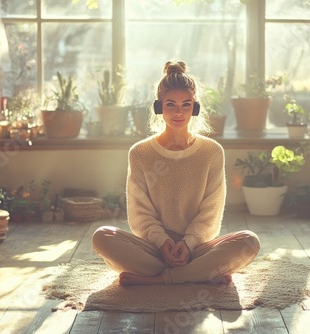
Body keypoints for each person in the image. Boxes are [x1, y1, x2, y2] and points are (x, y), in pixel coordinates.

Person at [91, 60, 260, 286]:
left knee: (249, 241)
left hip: (197, 248)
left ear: (195, 108)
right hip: (153, 250)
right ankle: (198, 274)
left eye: (186, 105)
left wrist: (188, 243)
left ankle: (158, 279)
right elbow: (139, 211)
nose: (179, 112)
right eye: (171, 105)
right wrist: (162, 243)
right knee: (101, 237)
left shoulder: (212, 152)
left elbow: (212, 210)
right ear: (159, 107)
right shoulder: (140, 153)